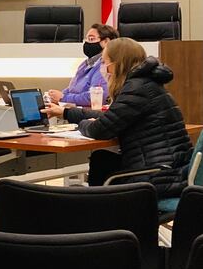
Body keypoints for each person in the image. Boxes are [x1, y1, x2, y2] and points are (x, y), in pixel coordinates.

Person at [42, 37, 192, 198]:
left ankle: (101, 213)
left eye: (105, 62)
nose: (103, 68)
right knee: (103, 158)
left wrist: (82, 124)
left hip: (159, 176)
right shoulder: (147, 84)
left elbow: (99, 130)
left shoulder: (136, 88)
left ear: (117, 64)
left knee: (102, 161)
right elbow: (111, 116)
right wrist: (66, 112)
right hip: (174, 169)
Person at [47, 24, 119, 106]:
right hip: (75, 110)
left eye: (91, 39)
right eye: (87, 39)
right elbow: (72, 89)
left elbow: (95, 97)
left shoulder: (106, 65)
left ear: (106, 42)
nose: (87, 42)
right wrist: (55, 95)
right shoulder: (84, 64)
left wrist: (63, 98)